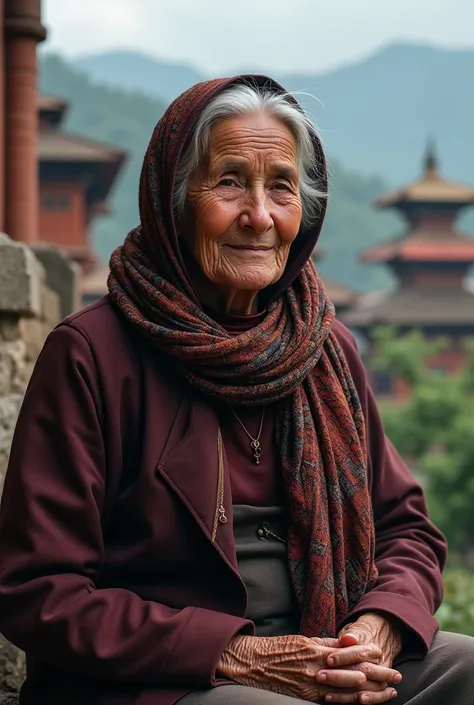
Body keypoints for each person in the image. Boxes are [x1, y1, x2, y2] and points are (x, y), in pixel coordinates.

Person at [0, 75, 471, 705]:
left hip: (321, 652)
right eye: (228, 183)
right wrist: (234, 654)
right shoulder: (93, 353)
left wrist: (378, 625)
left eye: (281, 187)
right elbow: (37, 589)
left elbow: (405, 529)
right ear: (174, 202)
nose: (259, 216)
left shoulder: (323, 347)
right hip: (162, 679)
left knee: (463, 667)